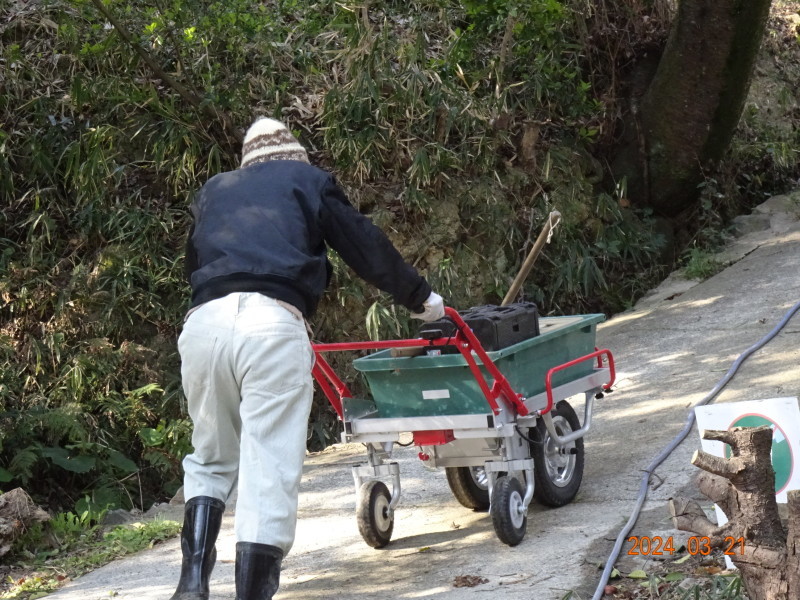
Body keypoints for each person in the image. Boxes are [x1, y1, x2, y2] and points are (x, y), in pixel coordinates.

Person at [170, 117, 445, 600]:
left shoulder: (214, 191)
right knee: (267, 464)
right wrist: (422, 299)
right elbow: (365, 246)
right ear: (293, 159)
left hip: (203, 325)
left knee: (211, 456)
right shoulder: (308, 181)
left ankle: (192, 584)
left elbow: (195, 262)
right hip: (270, 324)